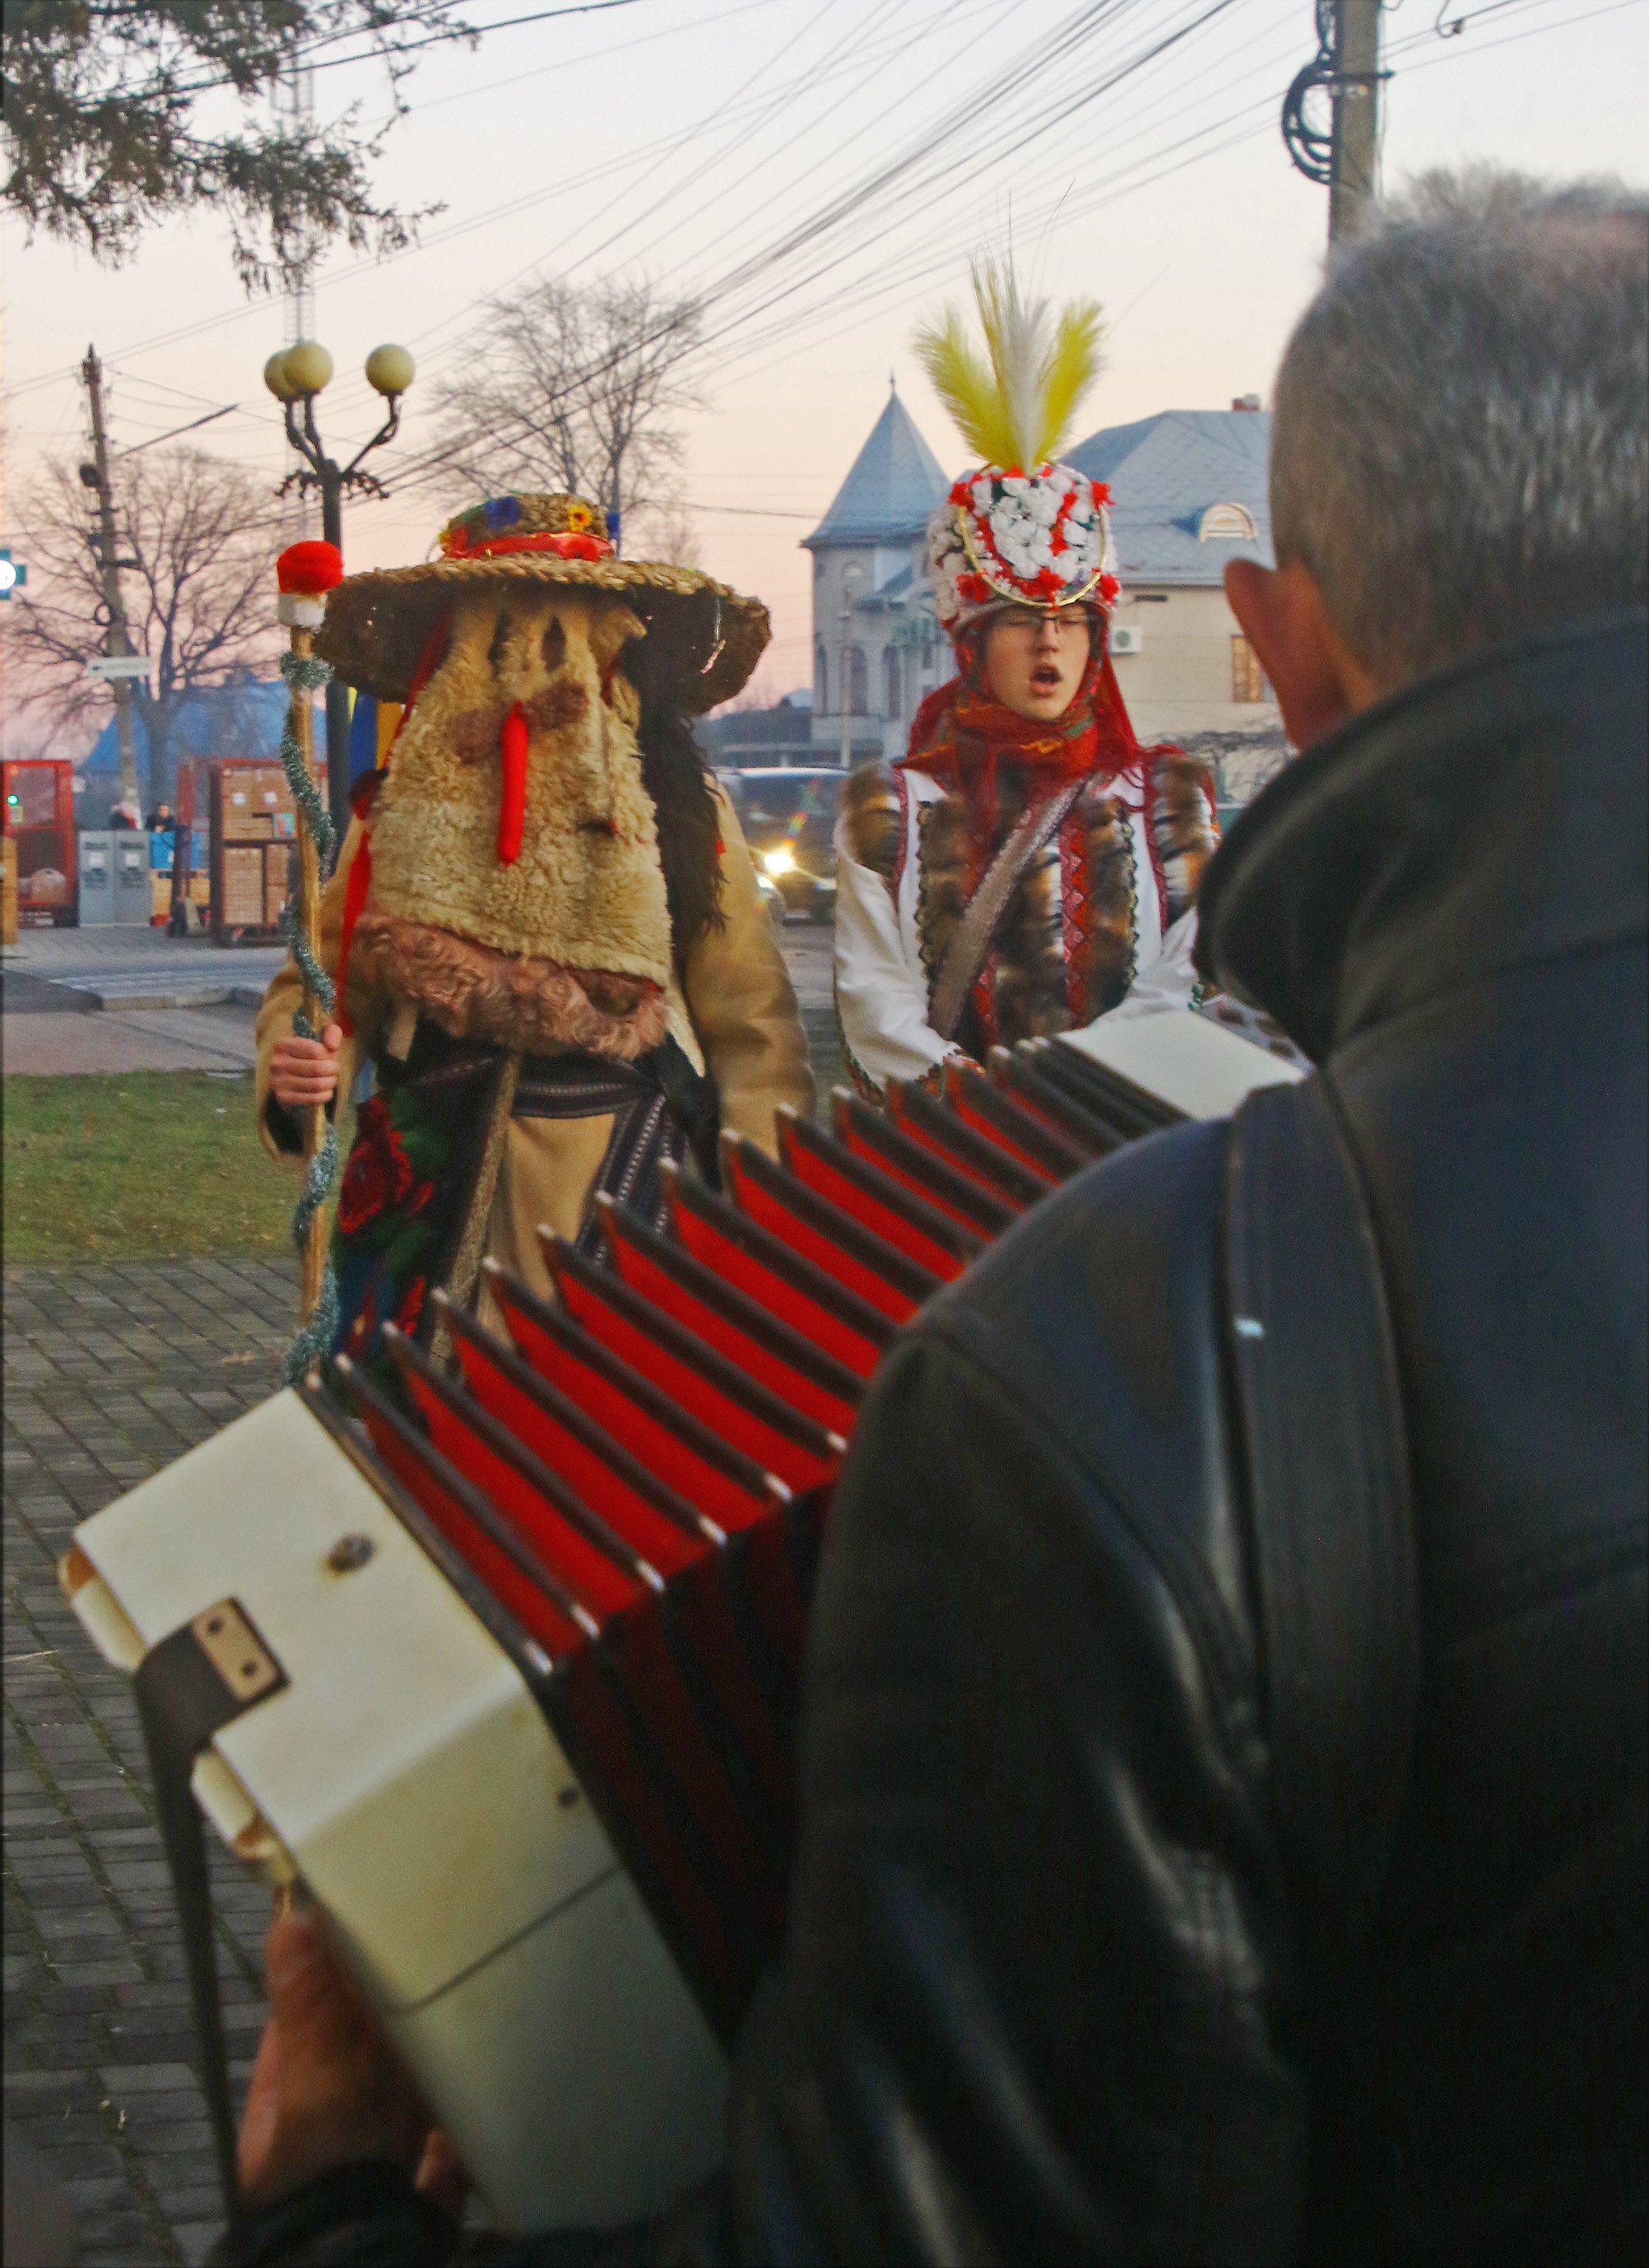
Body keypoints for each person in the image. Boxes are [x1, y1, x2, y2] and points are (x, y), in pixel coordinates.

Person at [216, 170, 1646, 2266]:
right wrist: (306, 1078)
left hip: (721, 1181)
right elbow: (822, 991)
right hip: (475, 1222)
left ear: (1276, 639)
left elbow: (754, 1025)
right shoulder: (445, 825)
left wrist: (333, 2209)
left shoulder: (1111, 1391)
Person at [253, 492, 813, 1376]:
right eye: (500, 628)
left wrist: (761, 1227)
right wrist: (300, 1067)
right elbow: (318, 986)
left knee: (598, 1474)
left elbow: (757, 1032)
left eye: (566, 625)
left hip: (626, 1195)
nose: (536, 658)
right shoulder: (402, 806)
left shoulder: (678, 808)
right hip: (421, 1194)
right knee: (410, 1468)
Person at [833, 262, 1218, 1095]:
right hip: (954, 1171)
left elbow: (1187, 984)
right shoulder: (889, 813)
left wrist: (1071, 1098)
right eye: (1018, 618)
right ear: (972, 640)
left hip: (1123, 1160)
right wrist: (986, 1112)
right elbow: (875, 1005)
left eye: (1072, 619)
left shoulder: (1168, 801)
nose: (1050, 642)